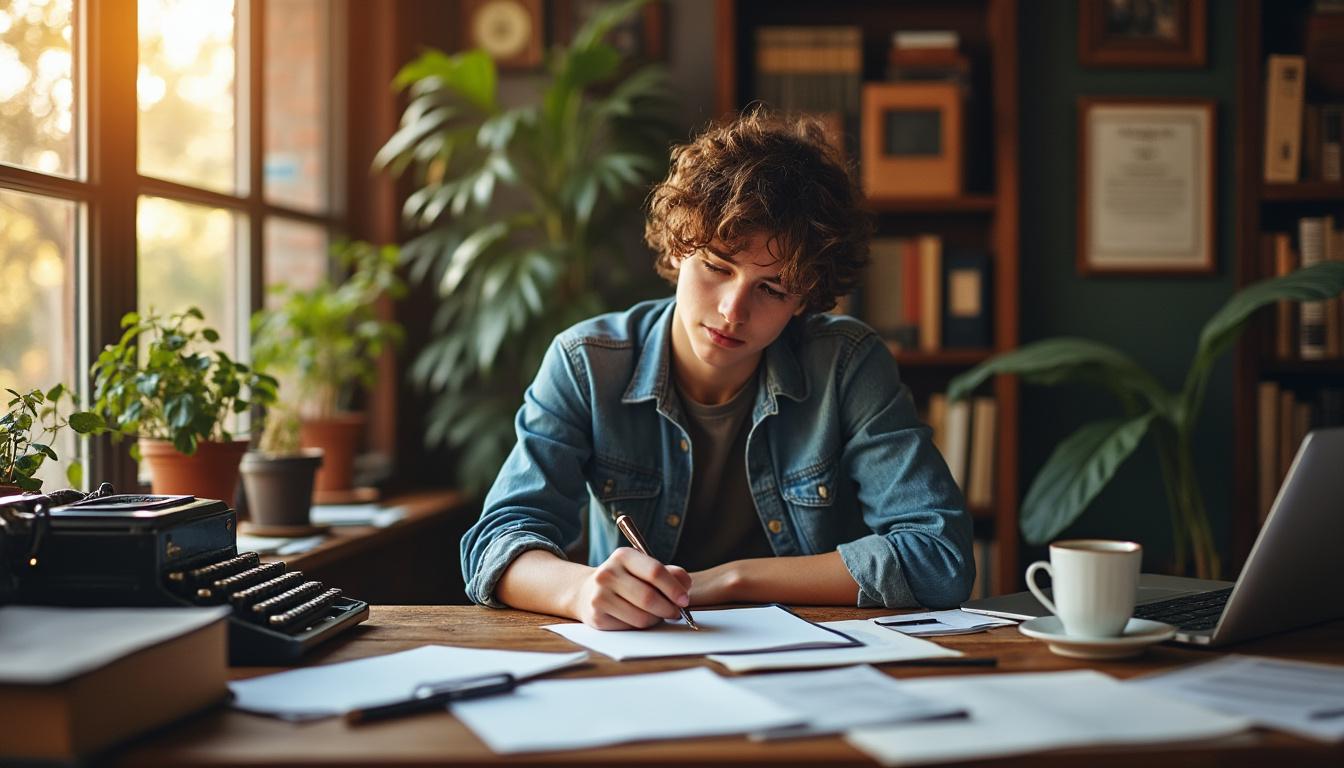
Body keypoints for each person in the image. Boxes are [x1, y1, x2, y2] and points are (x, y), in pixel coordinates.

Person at [460, 110, 973, 629]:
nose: (733, 310)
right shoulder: (586, 363)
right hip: (636, 653)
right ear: (677, 249)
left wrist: (730, 581)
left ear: (804, 301)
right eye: (716, 266)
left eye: (771, 289)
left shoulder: (846, 364)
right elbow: (496, 546)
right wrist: (580, 591)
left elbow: (939, 558)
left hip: (807, 657)